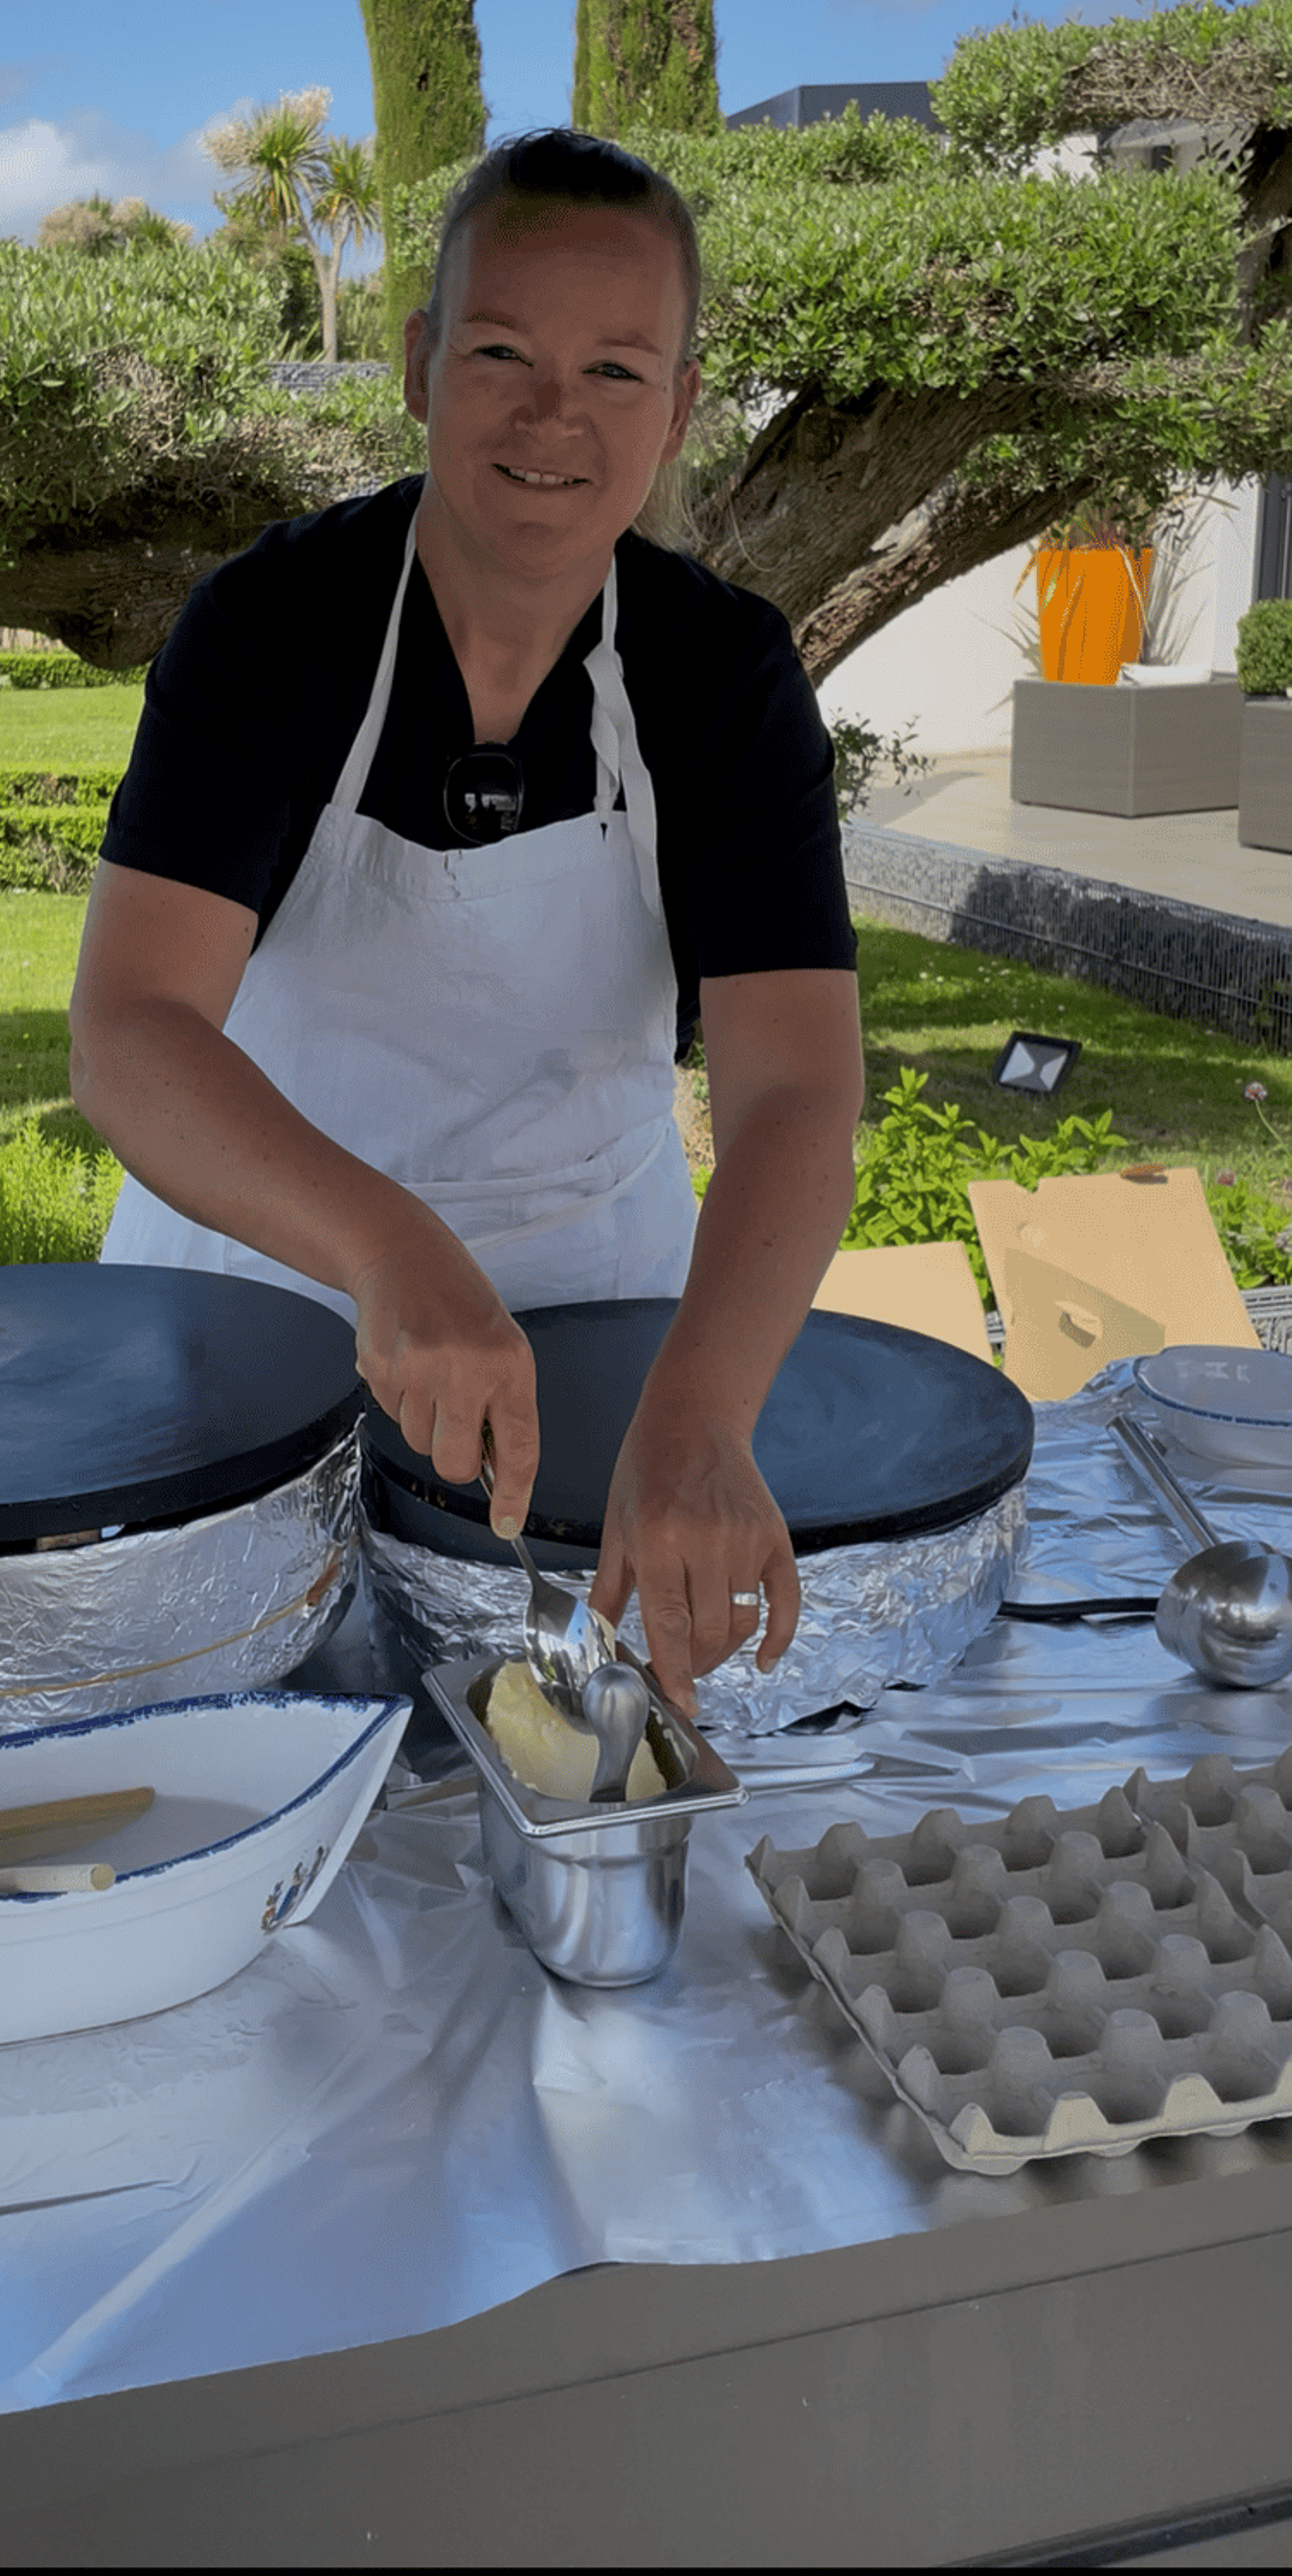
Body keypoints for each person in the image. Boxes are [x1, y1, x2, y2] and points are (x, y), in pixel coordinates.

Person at [68, 130, 864, 1711]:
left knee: (568, 1754)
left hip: (595, 1333)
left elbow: (794, 1084)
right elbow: (131, 1032)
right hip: (262, 1302)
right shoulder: (271, 631)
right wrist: (392, 1249)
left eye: (617, 369)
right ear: (422, 361)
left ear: (682, 405)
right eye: (501, 350)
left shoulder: (722, 681)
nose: (553, 415)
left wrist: (701, 1411)